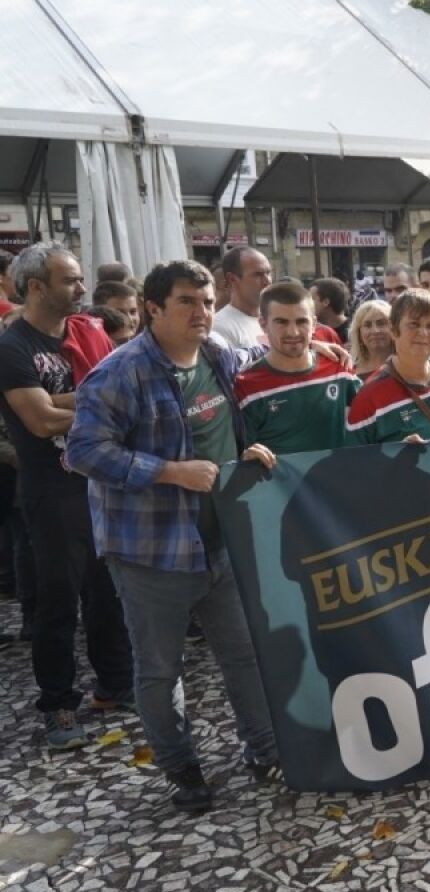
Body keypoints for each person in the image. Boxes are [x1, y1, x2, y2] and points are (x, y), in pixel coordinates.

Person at [64, 259, 279, 811]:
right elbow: (82, 452)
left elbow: (251, 391)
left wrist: (248, 448)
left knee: (246, 655)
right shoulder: (119, 372)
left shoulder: (217, 356)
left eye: (207, 301)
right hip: (151, 552)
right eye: (186, 301)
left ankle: (265, 750)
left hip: (221, 542)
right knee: (161, 672)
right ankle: (182, 769)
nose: (201, 312)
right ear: (153, 308)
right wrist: (169, 471)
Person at [0, 242, 132, 750]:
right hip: (52, 492)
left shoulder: (86, 332)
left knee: (108, 591)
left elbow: (119, 390)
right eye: (70, 280)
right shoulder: (13, 348)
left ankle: (115, 683)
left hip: (100, 482)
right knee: (58, 601)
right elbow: (38, 421)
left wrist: (65, 401)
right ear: (36, 287)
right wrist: (96, 403)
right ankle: (57, 703)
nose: (81, 288)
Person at [234, 282, 362, 455]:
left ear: (314, 323)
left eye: (302, 321)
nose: (293, 332)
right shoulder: (246, 386)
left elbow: (371, 422)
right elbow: (239, 453)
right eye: (281, 322)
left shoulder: (339, 370)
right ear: (263, 324)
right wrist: (245, 458)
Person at [346, 289, 430, 444]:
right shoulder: (369, 396)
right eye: (414, 324)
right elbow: (355, 457)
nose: (423, 333)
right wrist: (396, 453)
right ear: (393, 330)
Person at [211, 247, 273, 349]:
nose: (267, 281)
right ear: (232, 279)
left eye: (269, 273)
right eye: (258, 274)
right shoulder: (220, 327)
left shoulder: (275, 319)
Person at [349, 299, 393, 380]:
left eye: (381, 323)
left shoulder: (405, 366)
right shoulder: (348, 370)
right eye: (367, 325)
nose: (375, 331)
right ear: (358, 333)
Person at [310, 277, 350, 344]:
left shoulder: (355, 333)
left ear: (326, 302)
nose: (307, 303)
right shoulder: (310, 330)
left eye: (311, 299)